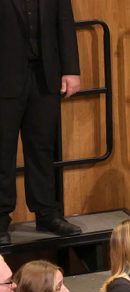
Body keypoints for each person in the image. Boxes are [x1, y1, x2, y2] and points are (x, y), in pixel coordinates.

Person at [0, 0, 83, 246]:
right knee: (2, 149)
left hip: (45, 74)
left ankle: (46, 213)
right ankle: (0, 218)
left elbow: (64, 23)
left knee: (42, 147)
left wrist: (71, 69)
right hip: (4, 74)